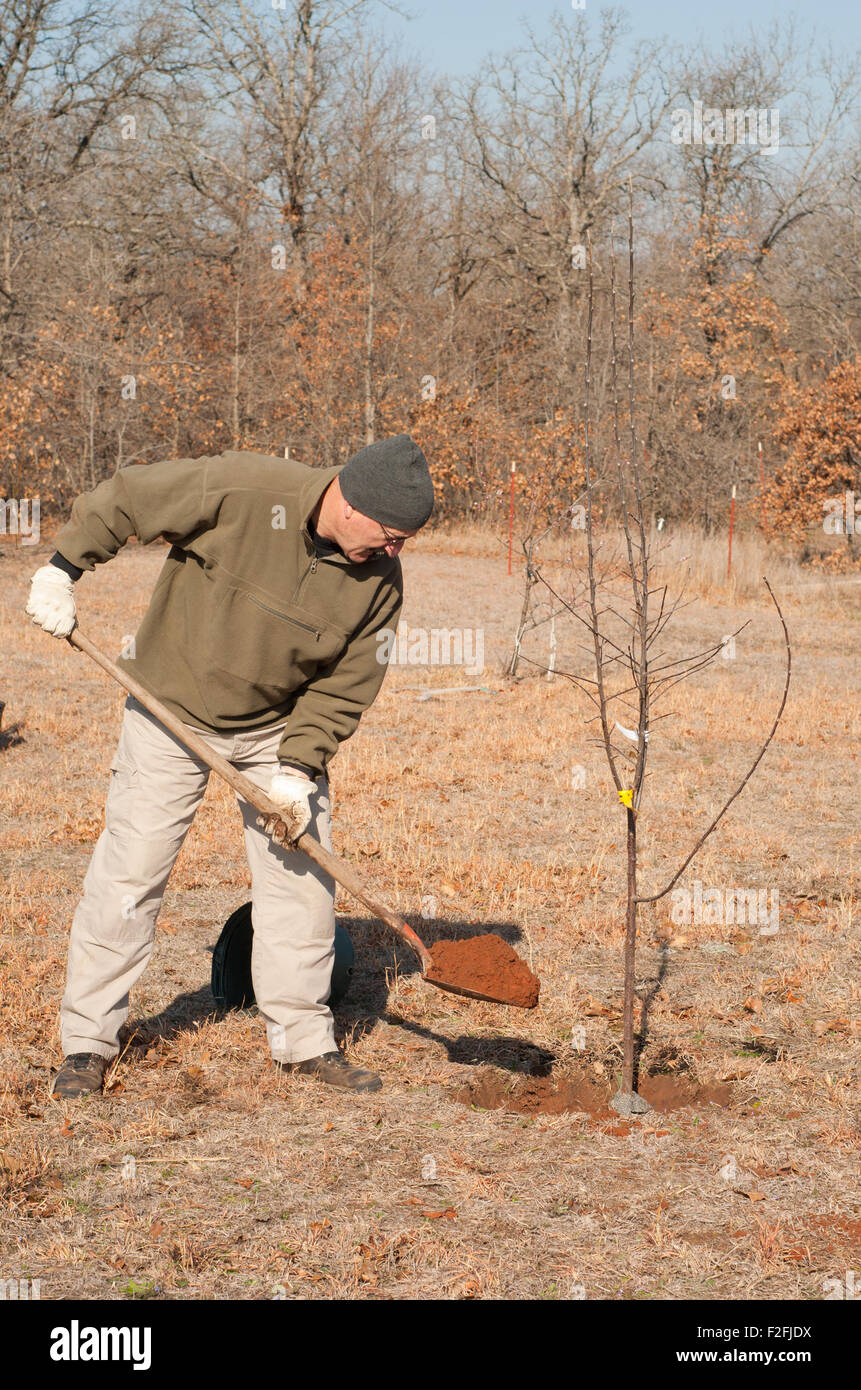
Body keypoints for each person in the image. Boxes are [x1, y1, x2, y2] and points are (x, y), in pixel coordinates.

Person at [25, 434, 434, 1099]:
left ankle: (303, 1039)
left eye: (403, 542)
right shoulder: (246, 490)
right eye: (390, 535)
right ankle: (87, 1044)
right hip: (171, 708)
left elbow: (345, 685)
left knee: (302, 880)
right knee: (129, 874)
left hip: (277, 731)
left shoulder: (378, 582)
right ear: (352, 502)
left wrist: (298, 769)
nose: (393, 552)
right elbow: (130, 497)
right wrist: (62, 568)